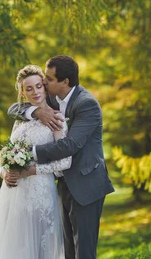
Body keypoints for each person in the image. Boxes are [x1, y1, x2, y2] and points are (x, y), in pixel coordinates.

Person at [8, 54, 115, 259]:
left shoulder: (87, 104)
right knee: (67, 250)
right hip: (61, 182)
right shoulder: (52, 97)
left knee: (83, 250)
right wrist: (36, 113)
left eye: (48, 79)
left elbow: (70, 145)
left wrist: (27, 155)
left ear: (65, 82)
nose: (44, 83)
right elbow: (14, 108)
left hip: (86, 183)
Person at [0, 64, 72, 259]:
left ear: (44, 87)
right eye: (29, 88)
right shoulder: (19, 120)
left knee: (40, 247)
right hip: (13, 194)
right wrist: (4, 172)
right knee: (15, 248)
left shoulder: (56, 118)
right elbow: (5, 153)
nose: (35, 92)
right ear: (22, 92)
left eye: (38, 86)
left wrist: (30, 171)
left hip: (41, 192)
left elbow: (64, 163)